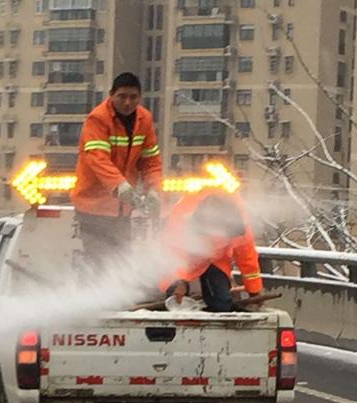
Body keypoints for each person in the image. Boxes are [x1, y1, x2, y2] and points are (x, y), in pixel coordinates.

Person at [71, 72, 163, 271]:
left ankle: (116, 296)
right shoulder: (98, 119)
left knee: (120, 256)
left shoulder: (144, 119)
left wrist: (154, 190)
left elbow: (151, 162)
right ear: (111, 94)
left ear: (140, 97)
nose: (128, 102)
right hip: (92, 204)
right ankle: (99, 297)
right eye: (122, 96)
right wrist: (119, 185)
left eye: (133, 97)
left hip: (122, 208)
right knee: (98, 259)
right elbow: (97, 158)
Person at [161, 188, 263, 311]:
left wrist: (254, 291)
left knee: (221, 304)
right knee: (175, 302)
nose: (218, 238)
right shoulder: (180, 223)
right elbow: (174, 257)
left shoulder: (240, 227)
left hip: (217, 260)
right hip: (184, 260)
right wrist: (179, 282)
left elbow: (248, 260)